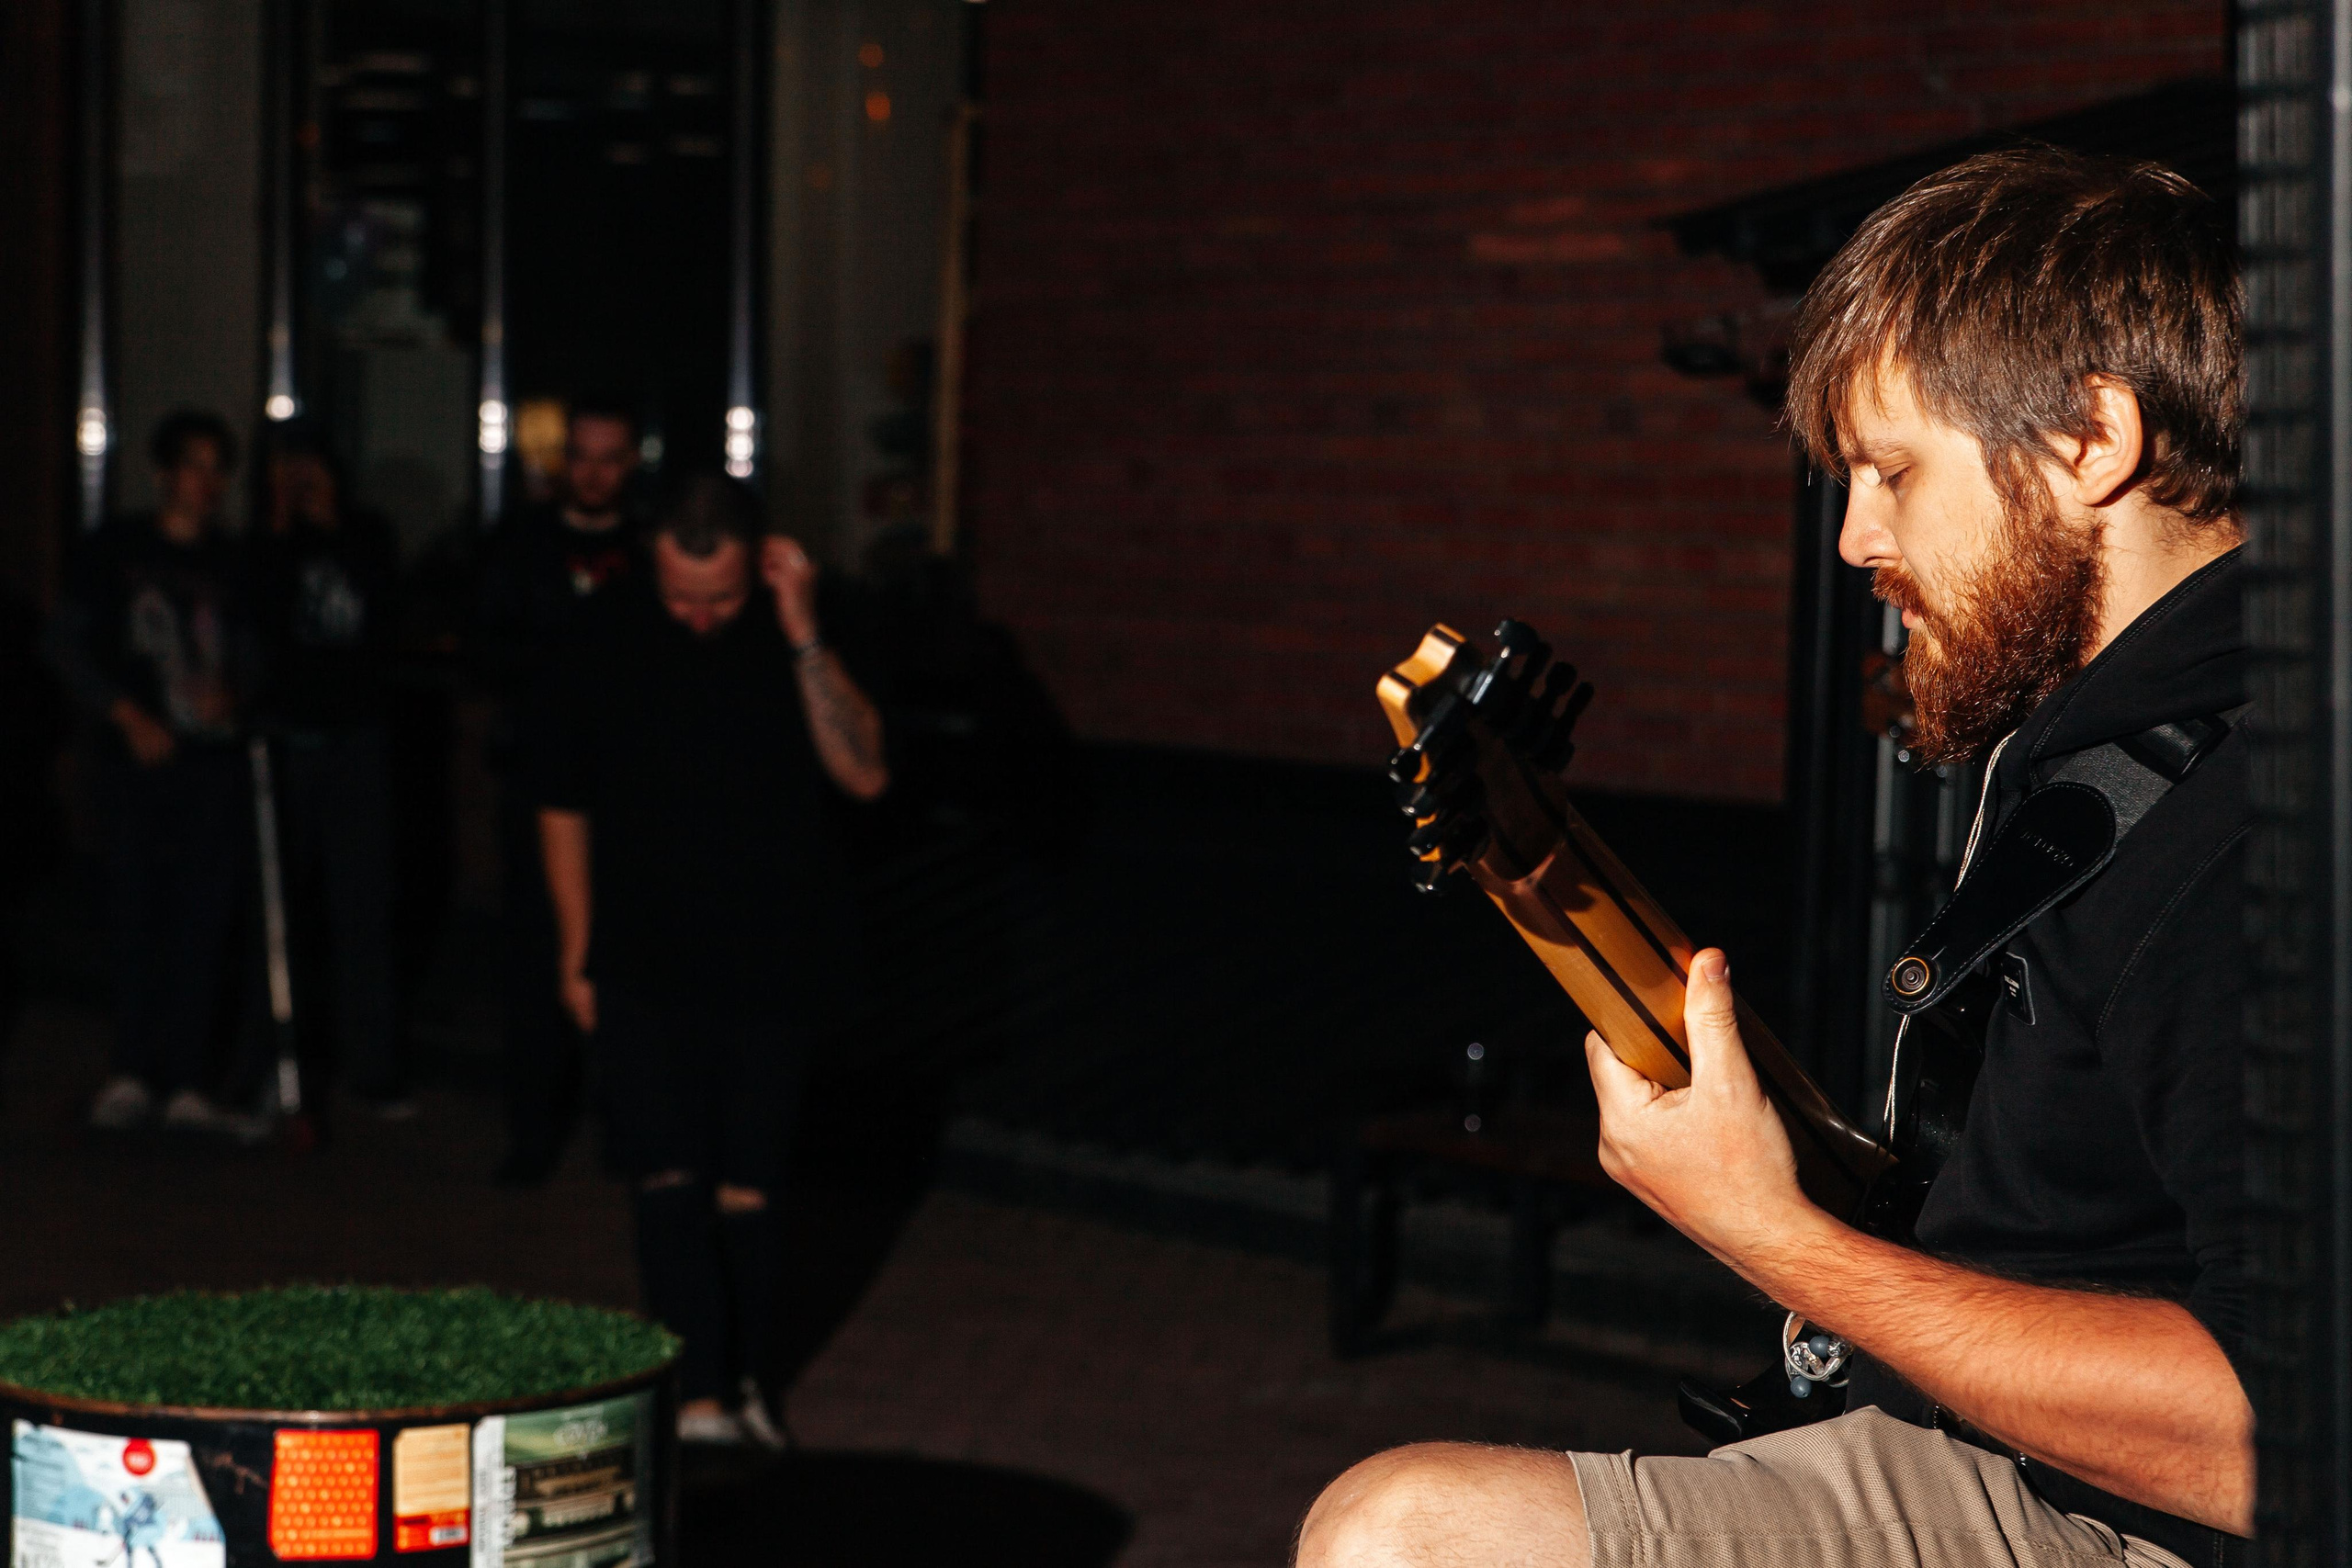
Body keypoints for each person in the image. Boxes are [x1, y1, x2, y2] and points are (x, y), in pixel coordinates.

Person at [1299, 150, 2252, 1568]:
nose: (1860, 535)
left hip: (2149, 1525)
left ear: (2089, 440)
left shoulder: (2252, 825)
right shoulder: (2109, 743)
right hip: (1997, 1453)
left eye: (1892, 470)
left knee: (1406, 1536)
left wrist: (1772, 1234)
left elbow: (2276, 1436)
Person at [534, 474, 888, 1445]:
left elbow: (864, 769)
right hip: (644, 956)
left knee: (749, 1186)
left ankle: (747, 1384)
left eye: (718, 599)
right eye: (680, 595)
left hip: (774, 957)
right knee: (664, 1175)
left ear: (759, 562)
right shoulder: (603, 631)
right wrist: (577, 951)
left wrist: (800, 624)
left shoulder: (800, 627)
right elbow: (561, 803)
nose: (696, 617)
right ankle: (694, 1399)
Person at [45, 410, 264, 1136]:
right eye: (194, 466)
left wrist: (235, 695)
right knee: (135, 914)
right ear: (164, 472)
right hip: (135, 767)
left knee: (201, 920)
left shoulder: (233, 562)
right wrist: (127, 716)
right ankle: (132, 1067)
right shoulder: (117, 549)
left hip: (210, 767)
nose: (206, 483)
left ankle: (188, 1076)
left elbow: (260, 654)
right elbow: (67, 645)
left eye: (216, 469)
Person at [472, 395, 645, 1184]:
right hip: (541, 780)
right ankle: (532, 1130)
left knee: (631, 956)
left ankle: (625, 1124)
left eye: (609, 458)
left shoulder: (649, 548)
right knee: (535, 959)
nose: (594, 473)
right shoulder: (521, 544)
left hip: (628, 789)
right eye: (582, 456)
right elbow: (484, 644)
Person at [248, 425, 408, 1115]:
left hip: (354, 740)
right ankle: (269, 1062)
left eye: (312, 468)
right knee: (281, 912)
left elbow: (385, 613)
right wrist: (283, 530)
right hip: (287, 740)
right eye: (290, 471)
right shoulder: (264, 544)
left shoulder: (367, 535)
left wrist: (331, 525)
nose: (303, 481)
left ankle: (371, 1067)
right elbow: (256, 617)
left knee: (361, 909)